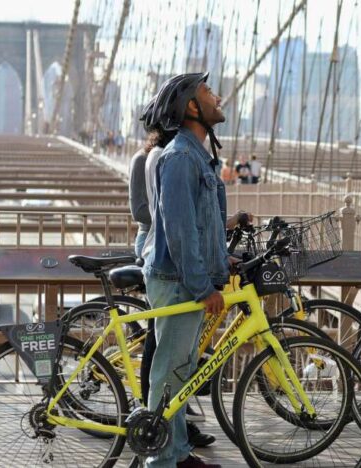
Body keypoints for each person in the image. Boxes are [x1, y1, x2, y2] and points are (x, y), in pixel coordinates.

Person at [140, 72, 228, 468]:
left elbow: (199, 225)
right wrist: (200, 285)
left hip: (187, 281)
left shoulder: (198, 156)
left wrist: (223, 263)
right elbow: (178, 231)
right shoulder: (178, 157)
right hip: (178, 283)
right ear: (192, 107)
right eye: (209, 92)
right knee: (170, 375)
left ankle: (176, 452)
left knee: (182, 373)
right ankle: (158, 462)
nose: (218, 96)